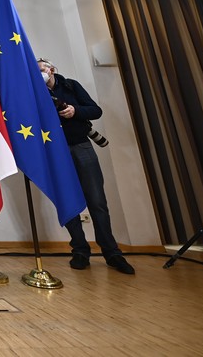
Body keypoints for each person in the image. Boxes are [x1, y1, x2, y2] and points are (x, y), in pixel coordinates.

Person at [37, 58, 135, 275]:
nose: (40, 73)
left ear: (51, 69)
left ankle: (112, 252)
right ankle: (80, 250)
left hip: (81, 146)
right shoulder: (35, 93)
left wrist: (75, 111)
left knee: (97, 200)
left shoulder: (70, 86)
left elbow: (95, 110)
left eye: (42, 69)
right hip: (56, 152)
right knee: (67, 200)